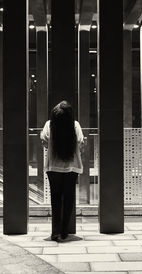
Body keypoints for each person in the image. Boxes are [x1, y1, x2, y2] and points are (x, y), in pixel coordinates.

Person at [40, 101, 84, 242]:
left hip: (53, 166)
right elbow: (80, 142)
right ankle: (65, 230)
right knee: (69, 198)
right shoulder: (75, 125)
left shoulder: (49, 125)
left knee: (56, 199)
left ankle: (55, 231)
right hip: (72, 166)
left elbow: (44, 141)